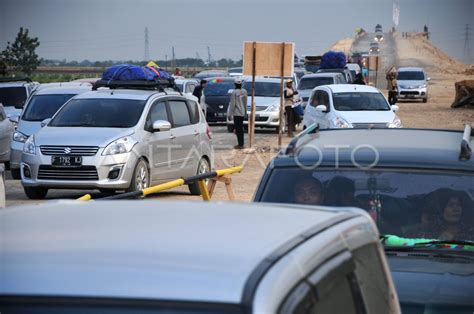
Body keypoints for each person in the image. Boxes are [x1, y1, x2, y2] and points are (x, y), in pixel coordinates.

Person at [227, 78, 248, 149]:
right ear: (241, 84)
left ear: (235, 84)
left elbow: (232, 104)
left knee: (238, 129)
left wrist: (229, 114)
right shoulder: (244, 92)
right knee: (240, 129)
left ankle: (240, 144)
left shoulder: (234, 92)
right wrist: (245, 112)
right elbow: (245, 103)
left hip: (236, 113)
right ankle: (241, 143)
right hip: (242, 113)